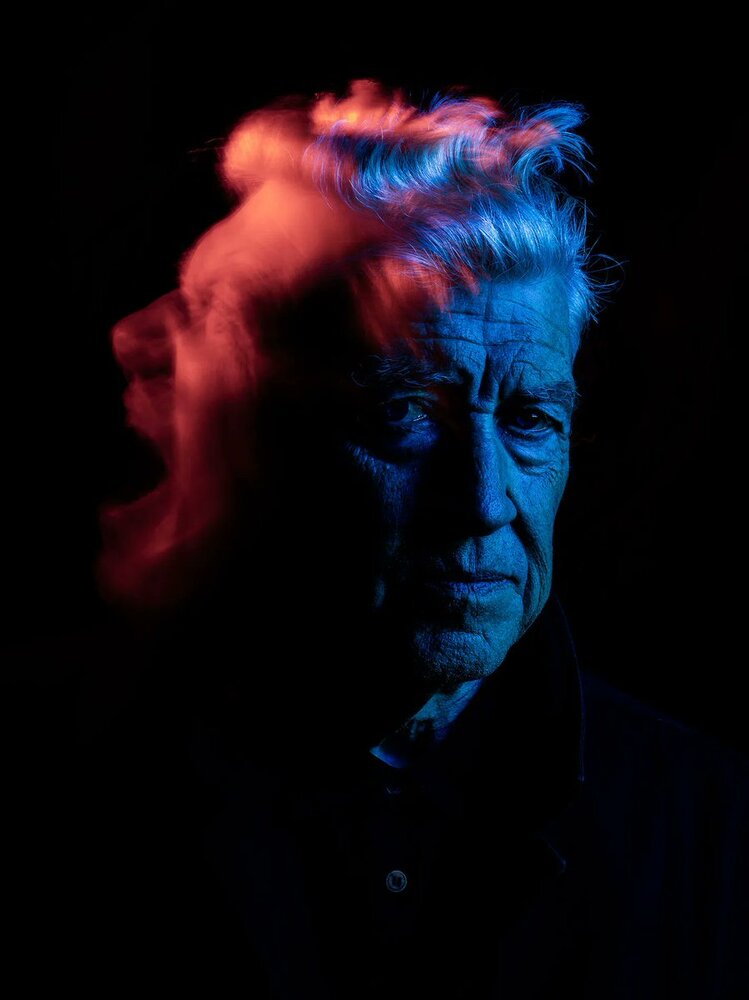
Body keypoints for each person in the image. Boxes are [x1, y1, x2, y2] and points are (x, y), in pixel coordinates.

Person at [27, 80, 748, 997]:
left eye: (529, 419)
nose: (480, 501)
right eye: (404, 411)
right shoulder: (81, 777)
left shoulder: (700, 820)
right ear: (260, 433)